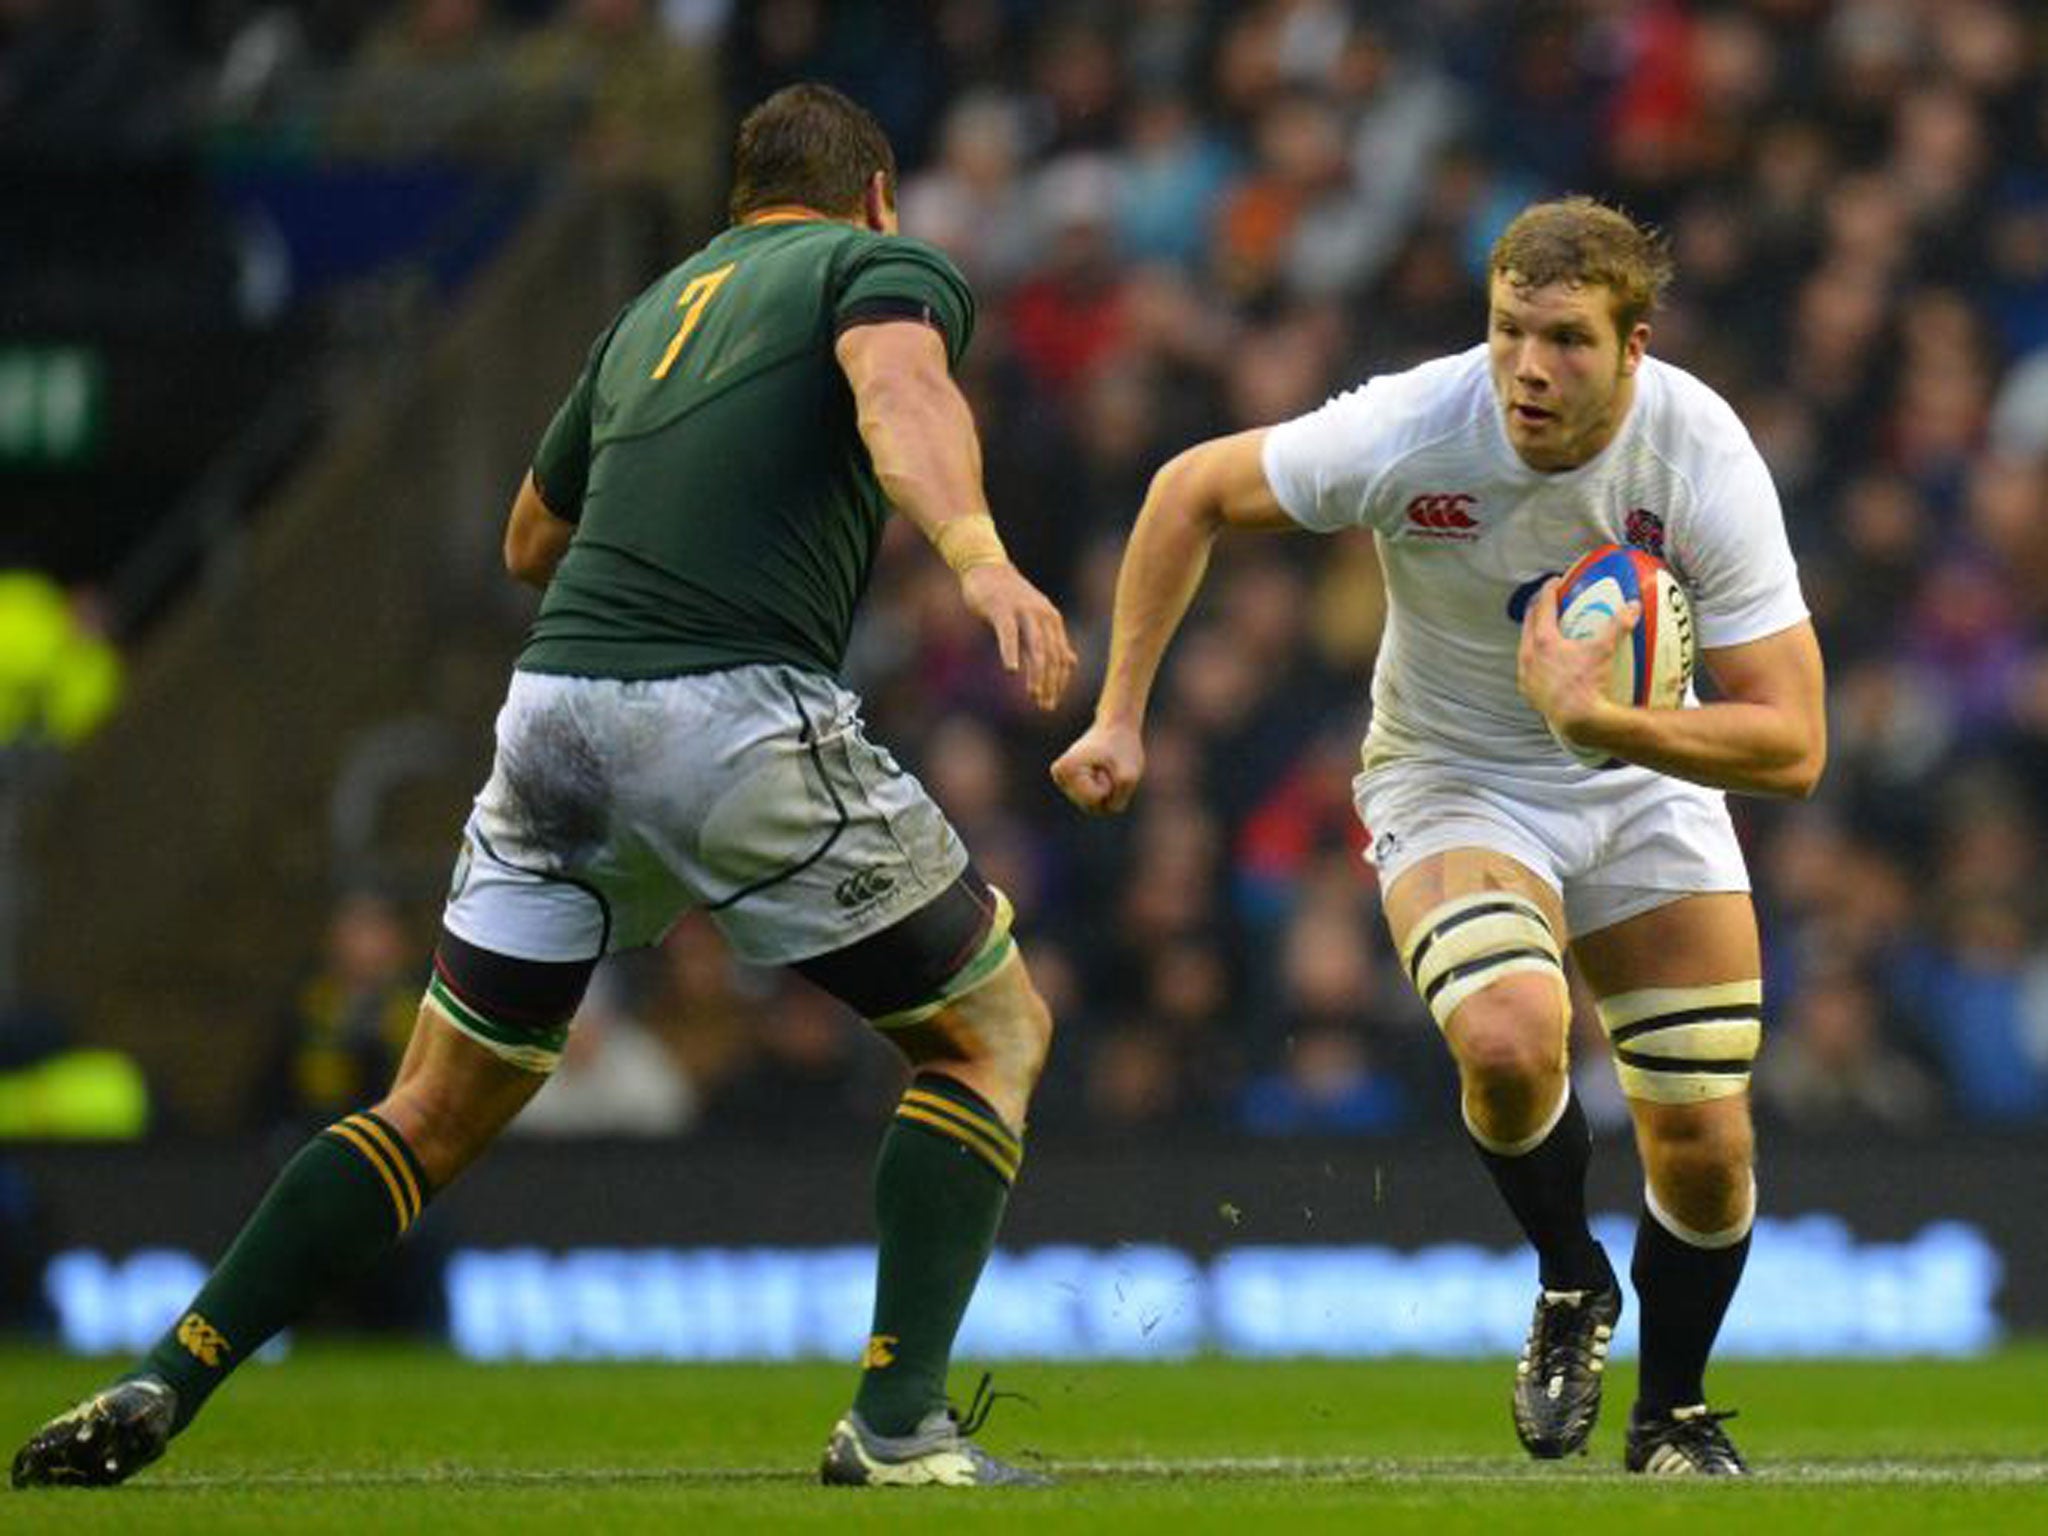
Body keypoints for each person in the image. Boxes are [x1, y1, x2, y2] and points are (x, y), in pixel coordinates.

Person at [13, 82, 1074, 1491]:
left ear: (737, 201)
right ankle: (897, 1423)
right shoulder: (873, 266)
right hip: (726, 706)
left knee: (431, 1108)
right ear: (872, 194)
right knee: (989, 1033)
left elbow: (530, 536)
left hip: (555, 714)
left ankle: (171, 1370)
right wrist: (978, 552)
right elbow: (898, 392)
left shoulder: (649, 317)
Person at [1054, 197, 1825, 1476]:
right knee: (1514, 1043)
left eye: (1568, 339)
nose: (1528, 366)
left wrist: (1602, 721)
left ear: (1634, 347)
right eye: (1509, 329)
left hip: (1641, 781)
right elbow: (1186, 489)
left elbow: (1792, 745)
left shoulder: (1697, 453)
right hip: (1453, 775)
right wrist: (1120, 716)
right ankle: (1571, 1279)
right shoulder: (1415, 424)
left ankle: (1668, 1416)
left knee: (1701, 1136)